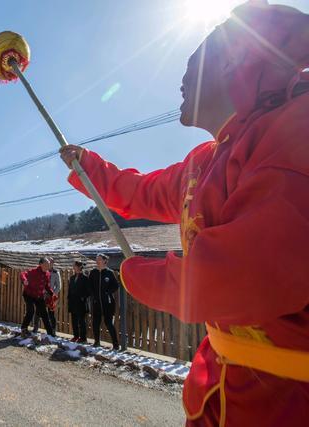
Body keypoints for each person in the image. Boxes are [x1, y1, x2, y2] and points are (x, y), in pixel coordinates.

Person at [60, 3, 309, 425]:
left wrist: (141, 276)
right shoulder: (203, 160)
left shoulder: (293, 131)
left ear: (232, 60)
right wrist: (88, 164)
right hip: (218, 381)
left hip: (284, 398)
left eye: (192, 66)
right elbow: (139, 191)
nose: (181, 79)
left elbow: (247, 272)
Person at [88, 254, 119, 350]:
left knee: (108, 323)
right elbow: (90, 286)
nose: (97, 261)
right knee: (95, 322)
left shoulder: (109, 273)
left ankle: (115, 344)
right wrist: (93, 295)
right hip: (96, 302)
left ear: (105, 261)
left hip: (107, 303)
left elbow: (115, 286)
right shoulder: (93, 272)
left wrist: (107, 292)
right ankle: (97, 342)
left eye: (99, 259)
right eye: (96, 259)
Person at [20, 257, 56, 338]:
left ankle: (50, 333)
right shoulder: (34, 271)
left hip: (39, 295)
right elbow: (23, 274)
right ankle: (24, 328)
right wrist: (24, 280)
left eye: (49, 263)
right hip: (28, 294)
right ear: (41, 264)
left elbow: (46, 286)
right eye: (46, 263)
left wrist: (52, 293)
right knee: (31, 311)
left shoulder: (47, 274)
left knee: (44, 314)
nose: (48, 265)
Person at [33, 257, 61, 333]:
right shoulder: (42, 271)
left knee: (51, 313)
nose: (49, 264)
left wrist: (53, 295)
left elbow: (58, 286)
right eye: (48, 262)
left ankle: (53, 330)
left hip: (50, 296)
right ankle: (35, 328)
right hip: (41, 295)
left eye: (51, 262)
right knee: (38, 312)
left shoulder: (55, 272)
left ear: (53, 263)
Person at [67, 261, 90, 343]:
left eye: (74, 266)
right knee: (74, 320)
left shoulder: (85, 278)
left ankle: (83, 338)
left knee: (81, 321)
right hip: (73, 302)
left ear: (79, 267)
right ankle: (75, 336)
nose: (73, 267)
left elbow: (88, 291)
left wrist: (82, 297)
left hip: (81, 303)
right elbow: (70, 290)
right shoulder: (72, 278)